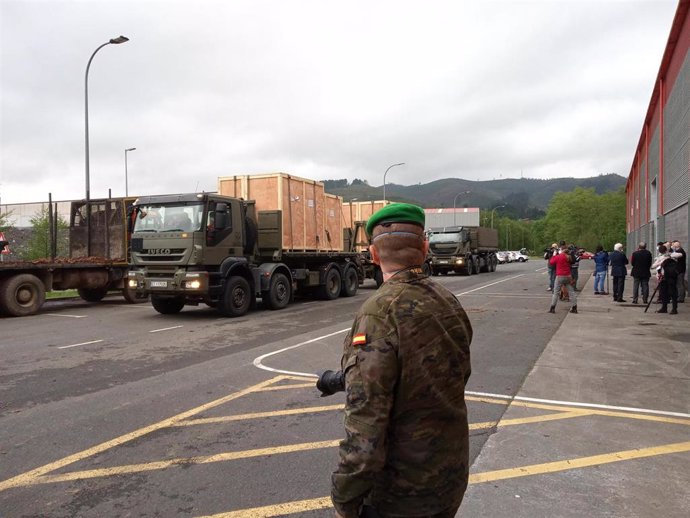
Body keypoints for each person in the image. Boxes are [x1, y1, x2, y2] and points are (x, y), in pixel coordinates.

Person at [331, 203, 473, 518]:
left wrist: (345, 498)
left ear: (374, 254)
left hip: (402, 493)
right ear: (424, 247)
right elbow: (449, 375)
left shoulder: (379, 312)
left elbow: (366, 421)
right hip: (450, 476)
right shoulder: (448, 302)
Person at [651, 244, 681, 314]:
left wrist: (668, 256)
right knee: (664, 292)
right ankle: (664, 308)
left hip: (671, 276)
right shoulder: (660, 257)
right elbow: (653, 266)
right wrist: (660, 262)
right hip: (664, 277)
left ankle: (674, 309)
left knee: (672, 292)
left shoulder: (671, 255)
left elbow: (680, 254)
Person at [549, 242, 577, 314]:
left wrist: (554, 254)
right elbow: (573, 261)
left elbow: (551, 262)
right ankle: (574, 307)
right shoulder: (568, 257)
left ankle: (552, 308)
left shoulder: (559, 257)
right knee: (571, 292)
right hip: (568, 276)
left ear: (561, 250)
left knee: (556, 292)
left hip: (560, 276)